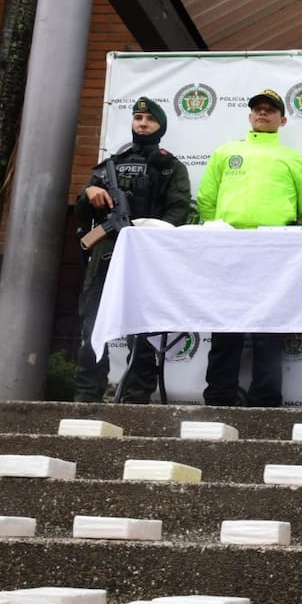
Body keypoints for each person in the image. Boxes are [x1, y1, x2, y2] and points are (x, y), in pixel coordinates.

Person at [196, 89, 302, 406]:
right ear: (250, 116)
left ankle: (266, 399)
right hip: (229, 248)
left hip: (274, 251)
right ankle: (219, 396)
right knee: (225, 327)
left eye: (270, 110)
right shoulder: (226, 152)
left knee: (269, 329)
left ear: (282, 119)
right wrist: (220, 231)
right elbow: (206, 200)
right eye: (257, 110)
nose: (263, 114)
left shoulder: (292, 158)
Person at [74, 96, 191, 403]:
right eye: (138, 119)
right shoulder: (108, 166)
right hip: (106, 254)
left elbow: (178, 213)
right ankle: (86, 396)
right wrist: (90, 193)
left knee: (143, 329)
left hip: (146, 256)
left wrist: (148, 236)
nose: (142, 124)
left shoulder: (170, 167)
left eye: (149, 120)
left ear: (160, 126)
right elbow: (80, 214)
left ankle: (136, 398)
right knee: (92, 325)